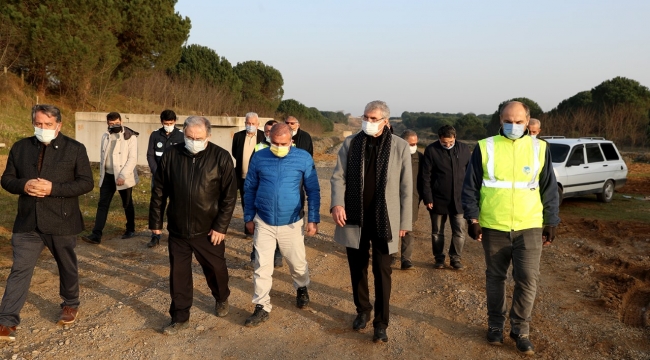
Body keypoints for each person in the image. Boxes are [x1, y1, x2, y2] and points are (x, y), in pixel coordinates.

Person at [462, 101, 560, 355]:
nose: (513, 126)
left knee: (527, 279)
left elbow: (548, 187)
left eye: (518, 122)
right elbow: (470, 186)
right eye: (508, 121)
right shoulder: (485, 147)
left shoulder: (540, 148)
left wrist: (551, 221)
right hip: (494, 226)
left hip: (529, 226)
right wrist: (472, 219)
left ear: (528, 122)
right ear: (500, 120)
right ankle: (495, 326)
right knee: (495, 278)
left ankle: (520, 329)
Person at [0, 104, 94, 341]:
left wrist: (54, 188)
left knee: (66, 265)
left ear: (59, 125)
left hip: (61, 220)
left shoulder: (75, 149)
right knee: (20, 269)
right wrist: (24, 185)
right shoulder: (20, 147)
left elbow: (86, 183)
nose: (42, 129)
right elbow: (7, 180)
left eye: (48, 125)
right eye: (38, 124)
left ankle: (70, 303)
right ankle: (7, 320)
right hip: (28, 222)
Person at [330, 100, 412, 343]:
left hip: (384, 219)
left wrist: (404, 222)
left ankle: (381, 322)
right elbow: (337, 177)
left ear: (386, 121)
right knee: (357, 268)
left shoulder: (399, 146)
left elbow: (407, 187)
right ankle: (362, 310)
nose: (368, 121)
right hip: (354, 218)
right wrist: (337, 203)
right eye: (366, 116)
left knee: (382, 270)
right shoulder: (351, 143)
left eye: (374, 118)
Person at [149, 116, 238, 335]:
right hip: (178, 229)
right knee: (179, 275)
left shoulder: (221, 157)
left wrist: (221, 227)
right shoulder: (172, 154)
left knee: (216, 269)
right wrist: (156, 221)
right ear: (184, 134)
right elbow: (159, 190)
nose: (194, 141)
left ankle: (221, 297)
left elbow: (229, 197)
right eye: (189, 137)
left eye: (198, 138)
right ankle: (180, 317)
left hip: (208, 229)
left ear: (208, 135)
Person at [242, 123, 320, 327]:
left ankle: (301, 287)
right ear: (269, 140)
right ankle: (261, 306)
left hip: (291, 223)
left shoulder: (303, 158)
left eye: (282, 143)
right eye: (274, 143)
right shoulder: (259, 157)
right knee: (262, 266)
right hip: (264, 220)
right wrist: (248, 217)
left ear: (291, 140)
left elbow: (313, 190)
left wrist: (313, 218)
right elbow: (249, 187)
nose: (278, 147)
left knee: (297, 263)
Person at [82, 112, 139, 244]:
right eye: (111, 124)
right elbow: (103, 157)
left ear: (121, 121)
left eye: (116, 123)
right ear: (107, 124)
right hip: (107, 176)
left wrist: (123, 175)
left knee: (127, 203)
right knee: (102, 204)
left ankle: (130, 229)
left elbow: (132, 159)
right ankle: (96, 235)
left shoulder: (130, 137)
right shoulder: (105, 136)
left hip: (123, 177)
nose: (114, 126)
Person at [421, 125, 471, 270]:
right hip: (438, 199)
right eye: (444, 143)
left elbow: (470, 174)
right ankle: (439, 258)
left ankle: (455, 258)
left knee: (459, 232)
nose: (447, 145)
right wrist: (428, 198)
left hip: (460, 200)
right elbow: (426, 177)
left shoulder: (464, 149)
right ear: (439, 139)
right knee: (437, 232)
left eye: (450, 142)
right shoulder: (431, 150)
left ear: (455, 137)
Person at [145, 110, 184, 248]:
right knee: (157, 205)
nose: (169, 125)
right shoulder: (155, 135)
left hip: (175, 178)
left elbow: (183, 159)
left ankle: (175, 233)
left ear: (175, 121)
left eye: (171, 123)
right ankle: (155, 234)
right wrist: (157, 173)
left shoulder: (181, 136)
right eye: (166, 123)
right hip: (159, 178)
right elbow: (150, 155)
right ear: (161, 122)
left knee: (176, 205)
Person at [231, 112, 265, 236]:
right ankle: (248, 229)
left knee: (259, 201)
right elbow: (235, 152)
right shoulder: (238, 136)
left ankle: (260, 228)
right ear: (245, 123)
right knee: (246, 202)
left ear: (258, 124)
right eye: (248, 123)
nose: (250, 125)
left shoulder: (263, 137)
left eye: (253, 123)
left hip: (258, 178)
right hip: (242, 176)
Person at [395, 130, 423, 270]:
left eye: (416, 143)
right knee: (392, 227)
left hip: (412, 198)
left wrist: (423, 197)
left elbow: (424, 179)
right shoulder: (393, 155)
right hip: (393, 197)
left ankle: (406, 259)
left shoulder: (420, 157)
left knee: (408, 230)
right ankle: (392, 255)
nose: (414, 146)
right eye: (411, 144)